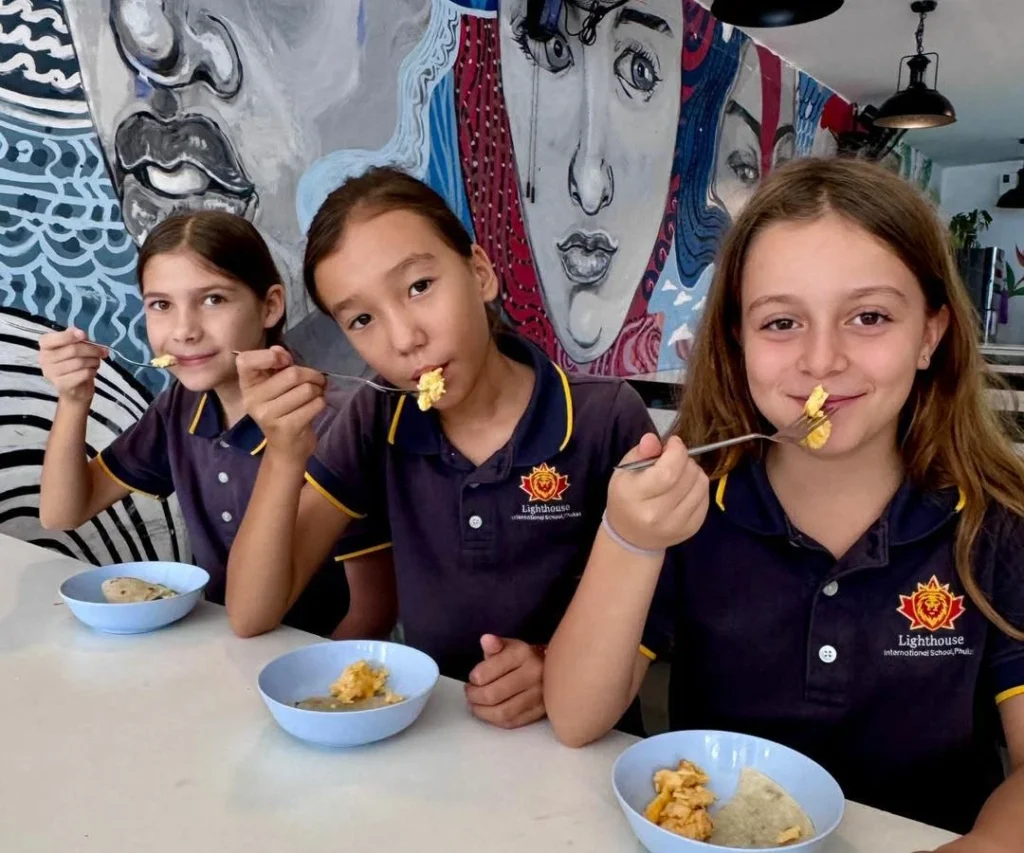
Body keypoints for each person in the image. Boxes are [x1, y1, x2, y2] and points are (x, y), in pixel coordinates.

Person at [543, 158, 1024, 845]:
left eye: (869, 316)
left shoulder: (998, 521)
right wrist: (629, 538)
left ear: (929, 335)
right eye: (780, 323)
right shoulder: (692, 506)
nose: (822, 360)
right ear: (736, 339)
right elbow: (574, 716)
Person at [226, 166, 653, 729]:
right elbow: (253, 611)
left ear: (479, 273)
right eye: (361, 319)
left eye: (419, 286)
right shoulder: (380, 415)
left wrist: (554, 666)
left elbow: (654, 608)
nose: (405, 339)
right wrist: (283, 455)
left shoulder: (604, 417)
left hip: (578, 744)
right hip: (429, 734)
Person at [38, 211, 396, 639]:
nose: (185, 330)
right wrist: (74, 398)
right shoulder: (181, 406)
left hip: (308, 662)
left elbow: (373, 609)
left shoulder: (328, 421)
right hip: (220, 646)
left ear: (270, 306)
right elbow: (63, 512)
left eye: (213, 300)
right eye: (161, 305)